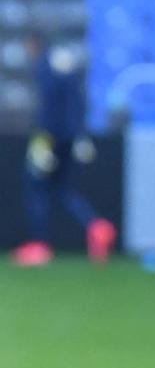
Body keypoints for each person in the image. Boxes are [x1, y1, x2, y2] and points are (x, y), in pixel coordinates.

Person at [14, 31, 114, 267]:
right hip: (71, 137)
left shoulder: (44, 66)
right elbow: (76, 102)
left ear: (33, 44)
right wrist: (79, 134)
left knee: (35, 188)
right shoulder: (68, 67)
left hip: (47, 137)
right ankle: (96, 226)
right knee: (63, 190)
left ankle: (39, 245)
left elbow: (48, 106)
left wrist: (43, 138)